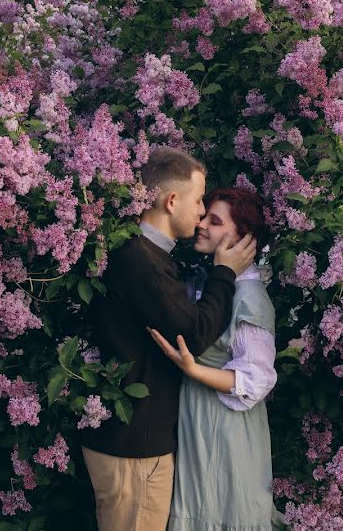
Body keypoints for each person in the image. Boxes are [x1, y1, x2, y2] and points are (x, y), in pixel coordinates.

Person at [80, 147, 257, 531]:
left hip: (129, 442)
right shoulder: (142, 260)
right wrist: (224, 273)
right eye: (197, 202)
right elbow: (191, 337)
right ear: (171, 200)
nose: (198, 214)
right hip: (135, 449)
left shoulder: (142, 253)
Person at [149, 187, 284, 530]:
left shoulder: (250, 296)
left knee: (222, 506)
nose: (201, 225)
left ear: (242, 238)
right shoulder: (214, 280)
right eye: (204, 215)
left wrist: (193, 370)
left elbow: (256, 379)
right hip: (199, 414)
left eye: (215, 220)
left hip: (226, 425)